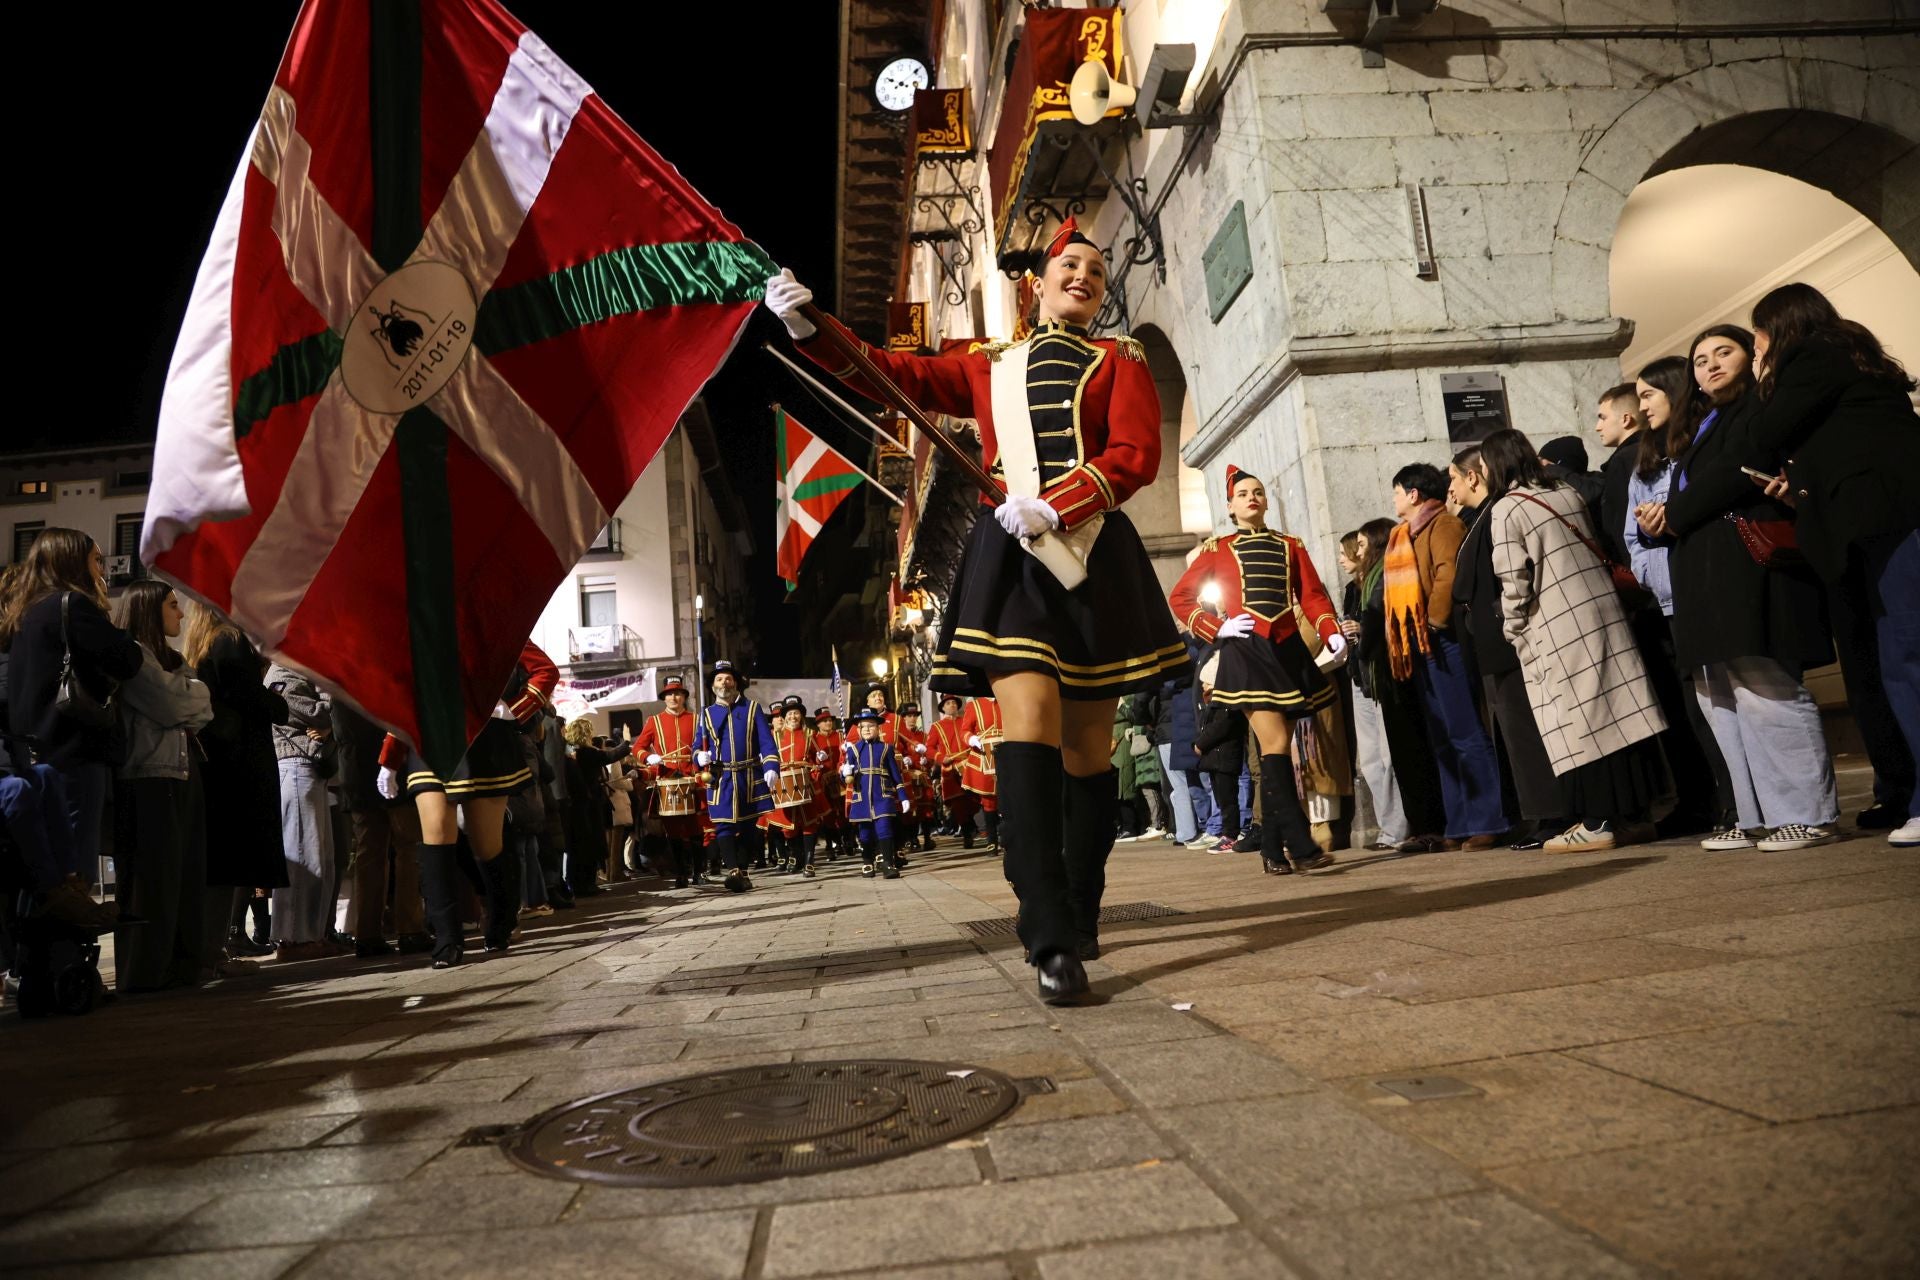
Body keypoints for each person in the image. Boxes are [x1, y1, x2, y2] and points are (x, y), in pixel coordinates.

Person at [770, 216, 1192, 1001]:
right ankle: (1048, 936)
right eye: (1072, 265)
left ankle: (1082, 899)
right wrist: (811, 327)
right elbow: (892, 373)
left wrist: (1057, 504)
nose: (1085, 279)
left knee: (1089, 751)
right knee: (1028, 729)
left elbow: (1135, 456)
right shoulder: (986, 365)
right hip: (1015, 566)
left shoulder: (1121, 361)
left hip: (1093, 553)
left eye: (1096, 274)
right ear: (1037, 284)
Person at [1635, 325, 1839, 850]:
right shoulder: (1703, 423)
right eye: (1700, 361)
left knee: (1765, 688)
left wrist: (1672, 514)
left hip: (1745, 567)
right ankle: (1756, 814)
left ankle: (1807, 812)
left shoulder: (1758, 409)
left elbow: (1733, 473)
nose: (1710, 366)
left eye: (1723, 353)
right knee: (1720, 696)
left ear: (1750, 357)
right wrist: (1657, 519)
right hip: (1703, 572)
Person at [1743, 282, 1920, 847]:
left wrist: (1765, 375)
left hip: (1885, 521)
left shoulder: (1812, 354)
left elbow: (1765, 434)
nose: (1756, 350)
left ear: (1781, 327)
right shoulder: (1848, 355)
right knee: (1887, 662)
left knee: (1905, 658)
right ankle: (1906, 792)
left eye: (1757, 339)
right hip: (1869, 524)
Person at [1481, 429, 1670, 851]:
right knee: (1621, 715)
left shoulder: (1508, 508)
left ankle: (1599, 821)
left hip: (1557, 622)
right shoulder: (1564, 490)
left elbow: (1514, 581)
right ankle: (1636, 817)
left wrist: (1513, 629)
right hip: (1602, 611)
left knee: (1580, 724)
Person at [1168, 467, 1345, 873]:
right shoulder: (1217, 549)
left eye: (1259, 492)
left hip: (1285, 651)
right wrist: (1219, 627)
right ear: (1230, 506)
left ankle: (1271, 848)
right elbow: (1179, 598)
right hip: (1246, 653)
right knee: (1276, 745)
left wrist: (1330, 630)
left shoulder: (1291, 544)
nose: (1252, 497)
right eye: (1243, 493)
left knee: (1278, 749)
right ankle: (1300, 847)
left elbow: (1313, 596)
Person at [375, 641, 556, 966]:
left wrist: (514, 708)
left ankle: (501, 922)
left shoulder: (491, 620)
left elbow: (545, 671)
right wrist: (390, 757)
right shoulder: (416, 624)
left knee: (487, 846)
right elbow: (403, 695)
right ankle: (447, 941)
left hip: (484, 740)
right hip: (430, 741)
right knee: (435, 839)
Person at [1626, 357, 1736, 836]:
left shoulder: (1707, 443)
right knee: (1701, 709)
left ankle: (1758, 806)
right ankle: (1733, 808)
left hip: (1717, 587)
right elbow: (1633, 538)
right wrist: (1660, 572)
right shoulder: (1645, 467)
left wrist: (1675, 520)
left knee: (1745, 699)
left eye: (1648, 394)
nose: (1641, 405)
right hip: (1674, 599)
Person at [0, 529, 145, 888]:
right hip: (75, 751)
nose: (103, 569)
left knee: (39, 866)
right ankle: (68, 941)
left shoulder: (25, 613)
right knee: (74, 865)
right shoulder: (74, 606)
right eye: (96, 559)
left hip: (32, 754)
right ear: (72, 561)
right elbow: (127, 659)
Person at [1382, 463, 1508, 851]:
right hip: (1419, 645)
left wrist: (1432, 623)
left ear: (1414, 494)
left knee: (1466, 732)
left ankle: (1489, 820)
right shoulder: (1403, 535)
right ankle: (1459, 822)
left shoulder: (1443, 526)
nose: (1395, 499)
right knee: (1442, 738)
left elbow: (1447, 575)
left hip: (1441, 640)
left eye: (1397, 491)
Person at [1450, 447, 1569, 849]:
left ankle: (1552, 814)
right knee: (1511, 734)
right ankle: (1535, 814)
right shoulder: (1476, 519)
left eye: (1454, 477)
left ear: (1474, 476)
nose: (1450, 487)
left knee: (1525, 730)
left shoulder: (1497, 511)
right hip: (1489, 641)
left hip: (1505, 637)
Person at [109, 580, 214, 990]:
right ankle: (145, 973)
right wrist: (190, 695)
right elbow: (174, 704)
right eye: (173, 606)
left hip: (182, 772)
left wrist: (190, 695)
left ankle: (180, 967)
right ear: (150, 610)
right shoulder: (134, 656)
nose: (181, 614)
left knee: (186, 876)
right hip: (148, 775)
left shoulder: (172, 659)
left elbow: (201, 706)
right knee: (154, 881)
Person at [180, 603, 289, 968]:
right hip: (240, 764)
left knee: (221, 861)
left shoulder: (199, 642)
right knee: (233, 861)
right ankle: (216, 949)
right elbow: (248, 696)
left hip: (217, 764)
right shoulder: (229, 641)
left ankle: (214, 946)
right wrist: (279, 704)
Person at [332, 701, 428, 957]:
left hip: (357, 773)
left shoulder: (340, 682)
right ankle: (410, 930)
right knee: (408, 849)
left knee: (370, 853)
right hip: (391, 768)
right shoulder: (376, 678)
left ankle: (368, 934)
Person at [265, 661, 340, 961]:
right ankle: (293, 937)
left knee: (323, 859)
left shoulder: (301, 673)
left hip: (312, 767)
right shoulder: (282, 674)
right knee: (302, 855)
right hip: (295, 766)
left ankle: (314, 934)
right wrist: (328, 694)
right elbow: (317, 713)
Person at [693, 659, 779, 893]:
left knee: (749, 827)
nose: (725, 683)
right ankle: (732, 871)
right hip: (721, 778)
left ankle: (743, 871)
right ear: (712, 686)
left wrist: (772, 766)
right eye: (719, 679)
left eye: (728, 678)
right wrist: (699, 756)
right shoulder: (706, 714)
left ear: (736, 683)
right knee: (723, 826)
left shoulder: (752, 708)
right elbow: (696, 746)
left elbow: (766, 742)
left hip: (749, 775)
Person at [636, 676, 703, 886]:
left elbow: (707, 744)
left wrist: (703, 758)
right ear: (664, 698)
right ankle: (681, 873)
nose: (674, 697)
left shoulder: (695, 719)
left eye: (678, 693)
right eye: (669, 694)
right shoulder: (654, 721)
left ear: (684, 696)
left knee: (695, 828)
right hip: (667, 780)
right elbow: (637, 747)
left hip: (691, 778)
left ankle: (699, 872)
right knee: (673, 830)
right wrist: (648, 757)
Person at [841, 707, 909, 878]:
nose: (867, 730)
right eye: (863, 727)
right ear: (858, 730)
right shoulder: (853, 750)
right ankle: (867, 861)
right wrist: (845, 772)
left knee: (885, 828)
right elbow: (846, 779)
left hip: (883, 796)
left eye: (871, 726)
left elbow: (895, 775)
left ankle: (887, 863)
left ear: (878, 728)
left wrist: (903, 796)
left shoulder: (886, 748)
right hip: (862, 796)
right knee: (865, 832)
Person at [766, 697, 825, 877]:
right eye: (789, 713)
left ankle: (809, 862)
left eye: (796, 713)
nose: (793, 716)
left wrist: (819, 760)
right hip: (784, 785)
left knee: (809, 822)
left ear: (802, 715)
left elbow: (818, 759)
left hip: (805, 782)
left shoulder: (810, 735)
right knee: (788, 826)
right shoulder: (775, 736)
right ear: (784, 716)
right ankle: (795, 856)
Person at [1593, 383, 1649, 566]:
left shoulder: (1624, 460)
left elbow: (1620, 524)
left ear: (1626, 419)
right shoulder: (1653, 448)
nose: (1597, 427)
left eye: (1603, 418)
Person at [924, 694, 977, 849]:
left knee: (974, 799)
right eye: (948, 703)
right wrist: (940, 757)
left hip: (970, 764)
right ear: (943, 707)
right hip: (951, 768)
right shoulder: (937, 726)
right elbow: (929, 749)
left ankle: (973, 825)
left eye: (954, 703)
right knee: (958, 803)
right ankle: (967, 833)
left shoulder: (965, 722)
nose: (952, 705)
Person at [958, 694, 1003, 853]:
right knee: (989, 800)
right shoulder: (974, 705)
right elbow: (964, 730)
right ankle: (992, 840)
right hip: (984, 756)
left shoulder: (1005, 698)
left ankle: (1008, 836)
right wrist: (971, 739)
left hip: (1006, 753)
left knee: (1008, 797)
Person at [894, 702, 936, 853]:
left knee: (926, 807)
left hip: (922, 776)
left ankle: (927, 837)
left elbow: (931, 754)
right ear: (902, 718)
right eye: (909, 716)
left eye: (914, 716)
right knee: (910, 810)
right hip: (907, 776)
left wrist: (927, 761)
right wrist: (906, 760)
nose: (912, 719)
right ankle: (912, 839)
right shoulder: (899, 736)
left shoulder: (923, 736)